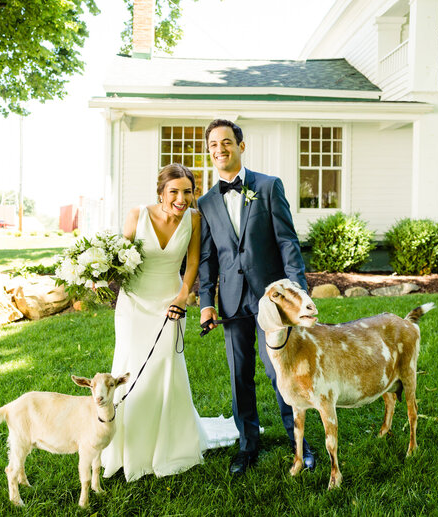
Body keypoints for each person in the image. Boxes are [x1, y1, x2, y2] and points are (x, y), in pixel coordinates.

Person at [102, 163, 237, 482]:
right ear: (160, 193)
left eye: (187, 191)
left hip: (169, 301)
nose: (181, 198)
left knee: (165, 368)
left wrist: (182, 296)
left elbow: (192, 263)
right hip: (134, 303)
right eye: (173, 191)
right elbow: (119, 260)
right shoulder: (137, 215)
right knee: (132, 367)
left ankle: (168, 443)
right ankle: (128, 446)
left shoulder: (194, 219)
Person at [197, 119, 316, 476]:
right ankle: (248, 446)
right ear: (209, 151)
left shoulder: (268, 186)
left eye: (227, 142)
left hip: (273, 302)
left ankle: (300, 443)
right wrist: (206, 302)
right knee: (239, 376)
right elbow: (208, 260)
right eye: (214, 144)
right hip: (232, 303)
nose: (220, 149)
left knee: (281, 372)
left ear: (241, 146)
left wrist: (296, 293)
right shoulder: (205, 203)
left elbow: (286, 242)